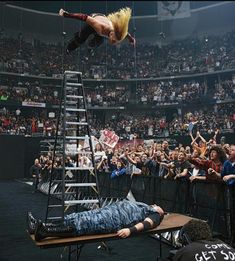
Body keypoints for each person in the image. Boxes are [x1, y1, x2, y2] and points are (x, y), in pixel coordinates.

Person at [28, 199, 164, 241]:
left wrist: (130, 230)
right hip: (105, 211)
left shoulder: (155, 215)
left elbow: (147, 224)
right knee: (75, 217)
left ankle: (46, 232)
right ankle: (38, 226)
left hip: (111, 220)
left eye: (159, 207)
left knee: (83, 225)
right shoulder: (145, 205)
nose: (157, 206)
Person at [58, 7, 136, 54]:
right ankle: (70, 47)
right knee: (81, 39)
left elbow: (125, 33)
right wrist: (67, 15)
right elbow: (84, 17)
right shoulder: (100, 27)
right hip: (93, 21)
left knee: (99, 41)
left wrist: (131, 39)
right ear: (112, 34)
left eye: (116, 42)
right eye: (114, 40)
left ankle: (90, 47)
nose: (114, 43)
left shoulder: (118, 33)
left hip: (104, 19)